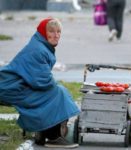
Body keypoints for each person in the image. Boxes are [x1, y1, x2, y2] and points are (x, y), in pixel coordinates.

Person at [0, 18, 80, 148]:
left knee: (57, 91)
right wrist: (55, 86)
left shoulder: (41, 45)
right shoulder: (38, 50)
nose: (56, 35)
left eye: (59, 31)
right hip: (11, 88)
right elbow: (42, 82)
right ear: (43, 32)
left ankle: (43, 131)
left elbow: (40, 79)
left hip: (17, 85)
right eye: (52, 31)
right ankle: (53, 137)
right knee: (56, 94)